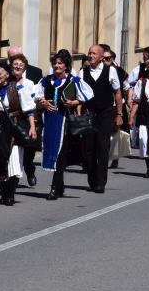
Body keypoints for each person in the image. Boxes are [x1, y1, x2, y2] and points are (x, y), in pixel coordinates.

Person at [35, 50, 94, 200]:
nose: (57, 65)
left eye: (60, 63)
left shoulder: (73, 80)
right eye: (55, 63)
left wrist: (74, 102)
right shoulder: (46, 80)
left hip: (64, 120)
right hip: (49, 120)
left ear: (66, 66)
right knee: (52, 151)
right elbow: (35, 97)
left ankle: (55, 187)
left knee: (60, 154)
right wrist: (42, 102)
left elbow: (88, 95)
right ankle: (59, 186)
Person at [0, 63, 36, 205]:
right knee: (1, 160)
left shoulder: (16, 87)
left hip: (14, 126)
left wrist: (32, 127)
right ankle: (3, 193)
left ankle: (10, 194)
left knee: (14, 160)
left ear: (7, 74)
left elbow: (28, 109)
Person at [79, 44, 123, 194]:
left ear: (101, 56)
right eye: (89, 53)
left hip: (105, 112)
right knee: (89, 148)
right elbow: (78, 95)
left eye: (94, 53)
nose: (90, 56)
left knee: (103, 147)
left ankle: (101, 182)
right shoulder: (82, 73)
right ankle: (92, 179)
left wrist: (119, 114)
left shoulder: (110, 71)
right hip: (89, 114)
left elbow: (117, 92)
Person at [10, 53, 40, 187]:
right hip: (9, 122)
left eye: (21, 65)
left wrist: (33, 127)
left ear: (24, 68)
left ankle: (30, 171)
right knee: (13, 153)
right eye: (15, 64)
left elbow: (30, 108)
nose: (17, 67)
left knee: (27, 154)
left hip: (24, 122)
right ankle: (11, 183)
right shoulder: (6, 81)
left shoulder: (29, 84)